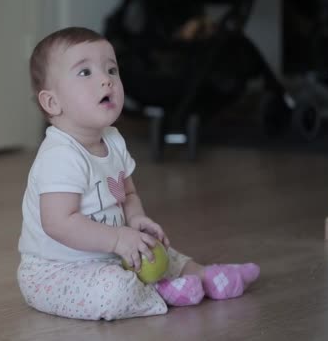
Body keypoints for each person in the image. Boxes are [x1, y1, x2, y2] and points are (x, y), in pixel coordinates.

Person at [17, 27, 259, 320]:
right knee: (113, 291)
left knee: (160, 251)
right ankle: (161, 291)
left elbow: (126, 192)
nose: (106, 79)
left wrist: (135, 219)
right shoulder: (60, 156)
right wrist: (118, 239)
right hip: (58, 271)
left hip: (113, 253)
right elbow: (59, 223)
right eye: (85, 73)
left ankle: (204, 275)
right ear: (52, 102)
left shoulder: (113, 140)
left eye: (111, 69)